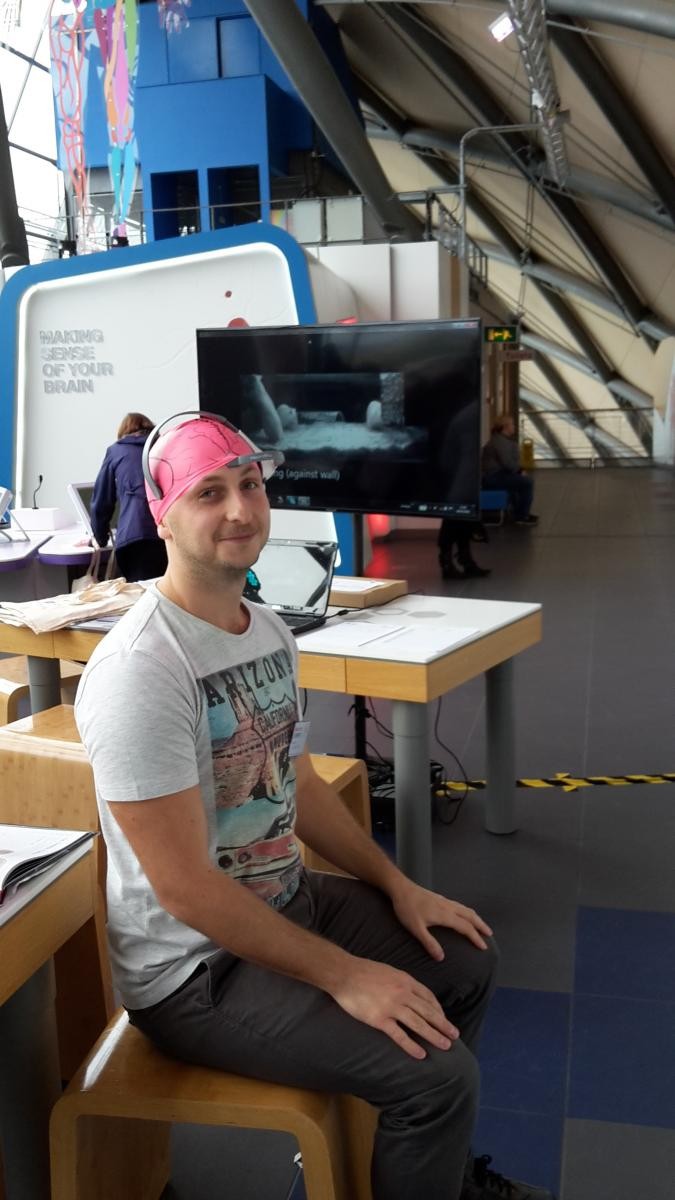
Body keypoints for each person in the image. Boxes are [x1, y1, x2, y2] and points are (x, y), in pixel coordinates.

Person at [75, 411, 553, 1200]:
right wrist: (343, 977)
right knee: (437, 1078)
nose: (238, 510)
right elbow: (184, 889)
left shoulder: (266, 629)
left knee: (463, 962)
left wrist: (398, 886)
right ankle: (424, 1142)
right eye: (208, 493)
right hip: (193, 973)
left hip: (283, 898)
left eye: (250, 485)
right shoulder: (141, 670)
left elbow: (293, 783)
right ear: (162, 514)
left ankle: (431, 1170)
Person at [89, 412, 168, 581]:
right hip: (168, 532)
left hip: (134, 536)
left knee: (140, 595)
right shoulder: (164, 448)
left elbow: (102, 501)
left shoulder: (116, 451)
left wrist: (99, 538)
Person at [481, 416, 538, 525]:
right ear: (505, 427)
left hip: (498, 474)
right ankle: (521, 516)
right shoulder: (499, 442)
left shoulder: (503, 440)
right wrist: (520, 471)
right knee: (527, 482)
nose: (514, 427)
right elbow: (507, 462)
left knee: (520, 481)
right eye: (512, 424)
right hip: (493, 477)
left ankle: (520, 512)